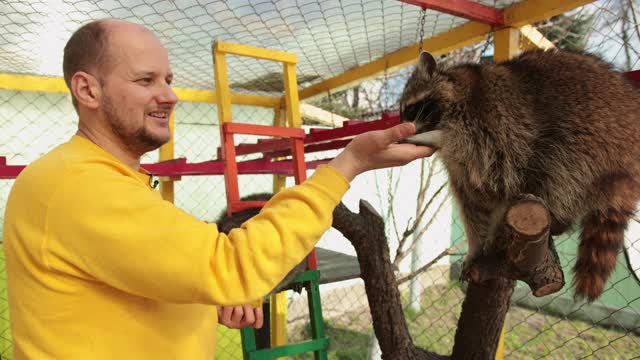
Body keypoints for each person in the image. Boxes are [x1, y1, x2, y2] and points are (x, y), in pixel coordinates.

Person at [2, 19, 434, 359]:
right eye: (145, 80)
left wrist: (204, 299)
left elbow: (136, 284)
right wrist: (348, 164)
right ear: (87, 89)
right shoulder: (77, 185)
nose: (169, 95)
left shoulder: (104, 179)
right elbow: (231, 266)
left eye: (167, 79)